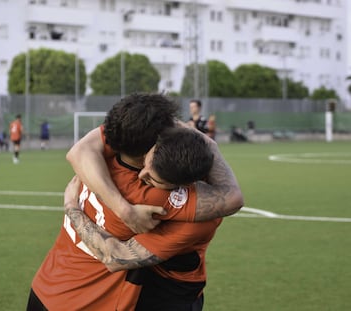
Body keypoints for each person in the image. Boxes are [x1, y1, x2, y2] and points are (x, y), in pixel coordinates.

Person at [28, 93, 243, 310]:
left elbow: (78, 150)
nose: (143, 176)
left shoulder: (99, 159)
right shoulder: (156, 198)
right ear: (154, 143)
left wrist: (71, 205)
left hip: (47, 284)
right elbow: (231, 197)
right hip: (88, 302)